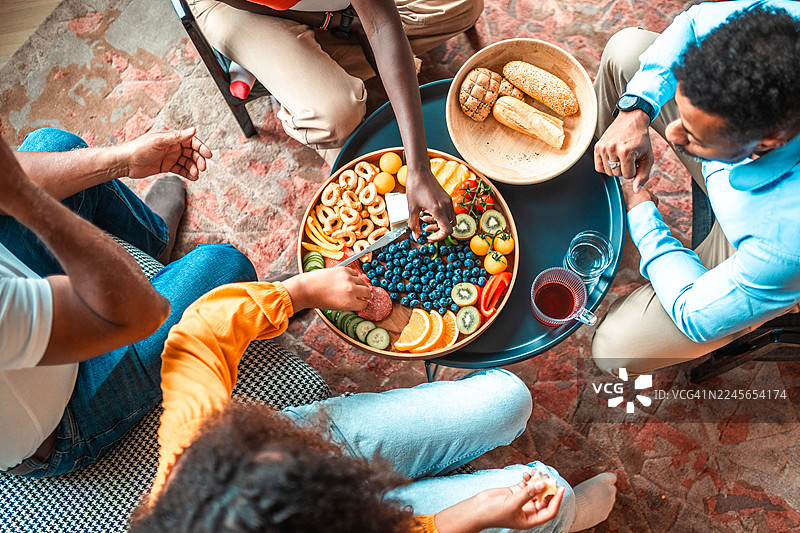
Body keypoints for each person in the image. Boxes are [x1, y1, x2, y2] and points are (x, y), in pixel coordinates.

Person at [129, 268, 617, 532]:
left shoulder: (192, 452)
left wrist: (299, 291)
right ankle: (567, 519)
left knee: (509, 399)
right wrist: (464, 518)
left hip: (332, 448)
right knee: (551, 500)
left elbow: (199, 334)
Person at [0, 127, 257, 477]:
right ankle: (261, 300)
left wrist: (122, 159)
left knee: (56, 148)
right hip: (62, 416)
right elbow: (136, 311)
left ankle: (155, 244)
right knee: (224, 268)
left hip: (26, 332)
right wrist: (22, 196)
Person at [590, 1, 800, 376]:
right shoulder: (785, 25)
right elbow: (694, 22)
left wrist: (642, 214)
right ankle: (595, 175)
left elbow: (693, 314)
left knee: (613, 349)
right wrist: (637, 109)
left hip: (754, 242)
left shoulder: (782, 246)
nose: (670, 135)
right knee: (627, 53)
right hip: (742, 172)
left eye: (693, 135)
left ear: (767, 142)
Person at [187, 0, 482, 240]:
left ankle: (303, 67)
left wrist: (418, 168)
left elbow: (381, 23)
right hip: (241, 7)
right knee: (335, 116)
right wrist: (336, 21)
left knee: (463, 5)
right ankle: (293, 72)